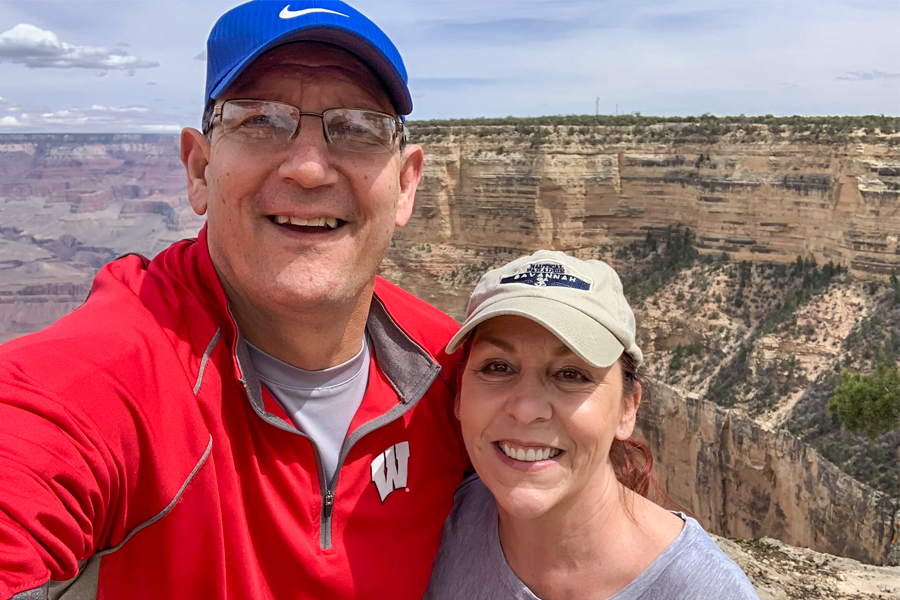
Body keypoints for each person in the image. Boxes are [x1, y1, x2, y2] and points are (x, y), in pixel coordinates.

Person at [0, 1, 468, 599]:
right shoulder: (105, 379)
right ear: (198, 169)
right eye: (261, 121)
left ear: (405, 186)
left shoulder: (457, 375)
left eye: (356, 127)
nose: (308, 169)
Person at [425, 250, 759, 600]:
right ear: (460, 392)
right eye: (498, 367)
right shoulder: (432, 531)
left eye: (571, 374)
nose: (526, 409)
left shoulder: (702, 592)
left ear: (627, 409)